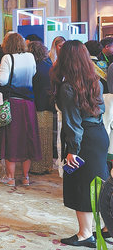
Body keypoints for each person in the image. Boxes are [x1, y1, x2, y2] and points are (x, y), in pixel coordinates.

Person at [52, 40, 109, 247]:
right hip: (99, 135)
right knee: (99, 183)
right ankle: (105, 228)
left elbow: (73, 123)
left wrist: (72, 150)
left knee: (81, 185)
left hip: (83, 139)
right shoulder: (96, 81)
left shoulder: (68, 87)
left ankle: (85, 234)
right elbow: (99, 110)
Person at [0, 32, 41, 187]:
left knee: (12, 140)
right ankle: (26, 177)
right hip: (29, 103)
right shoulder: (30, 57)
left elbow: (2, 81)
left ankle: (11, 177)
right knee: (27, 138)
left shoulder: (7, 58)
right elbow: (33, 73)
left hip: (13, 104)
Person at [27, 41, 55, 175]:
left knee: (36, 137)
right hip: (48, 104)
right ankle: (47, 165)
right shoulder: (49, 65)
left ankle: (37, 166)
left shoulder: (33, 67)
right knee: (47, 137)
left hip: (36, 105)